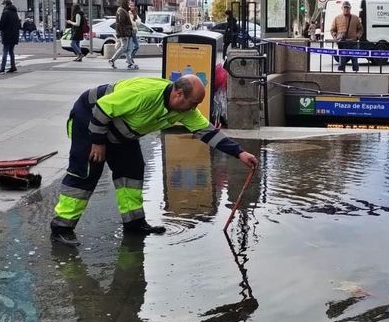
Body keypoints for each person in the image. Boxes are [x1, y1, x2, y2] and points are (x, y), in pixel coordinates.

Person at [49, 75, 259, 246]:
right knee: (86, 173)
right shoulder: (146, 94)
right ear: (178, 94)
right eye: (193, 103)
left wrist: (240, 153)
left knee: (132, 170)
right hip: (90, 118)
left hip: (121, 132)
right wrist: (97, 142)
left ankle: (134, 223)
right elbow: (102, 109)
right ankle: (62, 228)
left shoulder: (184, 110)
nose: (194, 108)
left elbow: (208, 133)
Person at [331, 1, 363, 72]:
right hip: (342, 44)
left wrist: (357, 37)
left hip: (353, 43)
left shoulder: (355, 18)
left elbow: (361, 29)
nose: (346, 9)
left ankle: (356, 75)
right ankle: (341, 76)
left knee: (355, 61)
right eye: (345, 7)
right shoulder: (337, 18)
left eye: (347, 8)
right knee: (342, 62)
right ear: (342, 8)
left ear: (350, 8)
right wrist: (336, 38)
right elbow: (332, 30)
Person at [108, 0, 136, 70]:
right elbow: (121, 24)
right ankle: (112, 60)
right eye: (127, 3)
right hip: (124, 33)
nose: (129, 4)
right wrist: (123, 33)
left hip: (127, 32)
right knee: (124, 47)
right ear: (124, 3)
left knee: (129, 48)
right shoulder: (121, 11)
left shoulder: (124, 10)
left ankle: (130, 63)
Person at [0, 0, 21, 73]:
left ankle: (2, 68)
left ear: (6, 4)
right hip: (14, 35)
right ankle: (13, 66)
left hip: (7, 35)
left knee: (5, 51)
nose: (3, 6)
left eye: (4, 4)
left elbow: (2, 25)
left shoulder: (5, 13)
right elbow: (19, 25)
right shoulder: (15, 13)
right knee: (11, 51)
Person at [128, 2, 141, 69]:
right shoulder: (128, 13)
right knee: (133, 46)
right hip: (131, 31)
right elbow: (131, 23)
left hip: (134, 31)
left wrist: (135, 23)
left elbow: (139, 21)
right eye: (131, 5)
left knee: (136, 46)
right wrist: (136, 22)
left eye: (133, 6)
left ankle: (130, 60)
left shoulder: (134, 13)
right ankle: (130, 60)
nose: (132, 7)